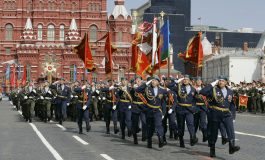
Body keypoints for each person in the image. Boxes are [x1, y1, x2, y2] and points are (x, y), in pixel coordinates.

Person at [200, 76, 240, 157]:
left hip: (226, 114)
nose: (220, 82)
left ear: (226, 82)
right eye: (219, 81)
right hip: (215, 113)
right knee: (214, 132)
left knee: (230, 130)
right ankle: (212, 148)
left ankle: (231, 147)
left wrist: (233, 116)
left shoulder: (230, 91)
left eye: (222, 81)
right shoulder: (213, 89)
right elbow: (202, 92)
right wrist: (212, 84)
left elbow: (232, 104)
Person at [135, 75, 168, 148]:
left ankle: (161, 139)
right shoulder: (147, 88)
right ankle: (149, 141)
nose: (153, 82)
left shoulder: (162, 90)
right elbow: (137, 90)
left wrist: (164, 112)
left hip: (157, 110)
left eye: (155, 81)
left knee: (159, 125)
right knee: (150, 127)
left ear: (158, 82)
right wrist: (146, 84)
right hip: (149, 110)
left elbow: (164, 102)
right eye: (152, 80)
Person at [167, 75, 198, 148]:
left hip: (189, 109)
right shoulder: (179, 87)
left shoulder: (193, 89)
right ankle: (181, 140)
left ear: (190, 81)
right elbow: (169, 86)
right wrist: (177, 81)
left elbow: (195, 99)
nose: (185, 80)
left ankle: (193, 137)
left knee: (190, 123)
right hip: (180, 109)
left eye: (187, 79)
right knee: (181, 126)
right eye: (184, 79)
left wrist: (193, 108)